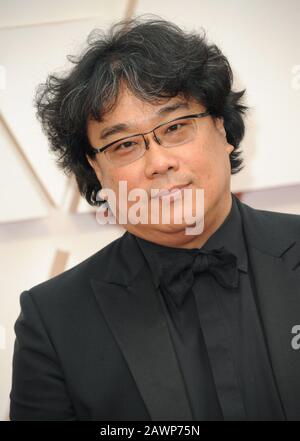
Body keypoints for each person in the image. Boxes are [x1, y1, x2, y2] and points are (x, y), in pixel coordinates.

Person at [9, 16, 300, 421]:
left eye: (177, 126)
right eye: (125, 144)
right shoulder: (54, 321)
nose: (159, 162)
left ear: (223, 127)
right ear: (96, 169)